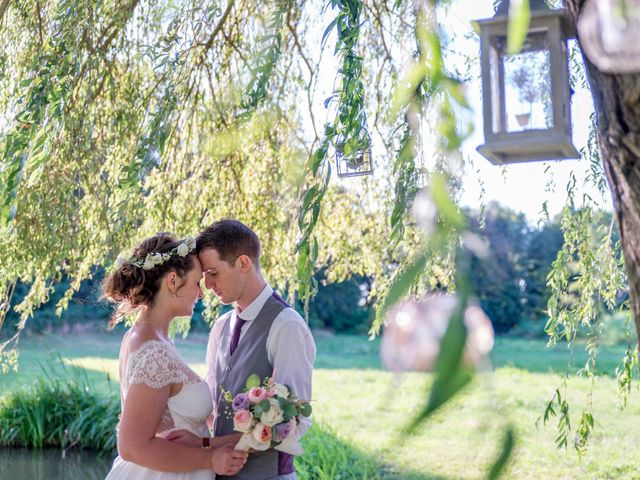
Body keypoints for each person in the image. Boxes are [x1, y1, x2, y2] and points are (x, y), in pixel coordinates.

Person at [168, 220, 316, 480]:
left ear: (243, 263)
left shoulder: (286, 326)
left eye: (213, 273)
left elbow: (291, 424)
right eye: (205, 278)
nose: (208, 286)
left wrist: (204, 446)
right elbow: (213, 405)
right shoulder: (221, 326)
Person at [103, 232, 248, 480]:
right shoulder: (153, 350)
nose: (201, 293)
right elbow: (132, 446)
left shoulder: (148, 336)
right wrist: (210, 459)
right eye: (196, 283)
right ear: (172, 281)